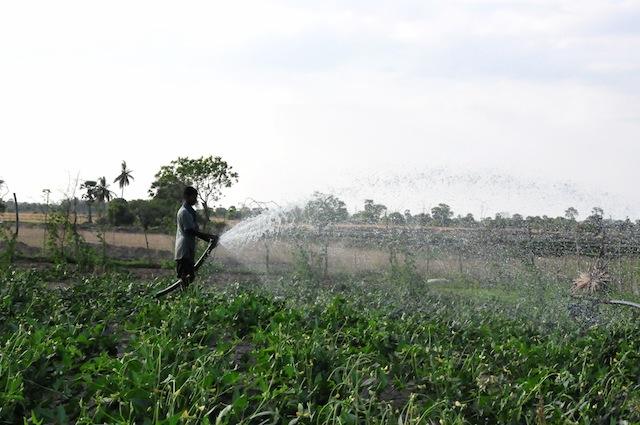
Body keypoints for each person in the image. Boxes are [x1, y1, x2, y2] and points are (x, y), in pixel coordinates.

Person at [175, 186, 218, 288]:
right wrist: (208, 238)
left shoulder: (189, 211)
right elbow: (190, 230)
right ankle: (183, 299)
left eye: (195, 197)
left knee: (190, 277)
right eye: (193, 197)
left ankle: (185, 298)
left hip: (188, 251)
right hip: (183, 251)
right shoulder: (184, 212)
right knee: (185, 278)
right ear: (186, 196)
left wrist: (209, 238)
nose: (195, 199)